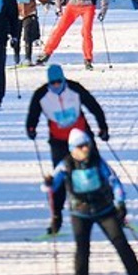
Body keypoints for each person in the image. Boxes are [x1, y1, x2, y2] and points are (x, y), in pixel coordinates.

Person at [44, 128, 138, 275]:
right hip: (80, 213)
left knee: (121, 245)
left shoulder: (98, 162)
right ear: (73, 149)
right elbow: (52, 185)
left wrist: (120, 202)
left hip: (104, 209)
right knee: (82, 251)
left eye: (87, 145)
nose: (85, 149)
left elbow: (114, 181)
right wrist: (48, 183)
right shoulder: (66, 164)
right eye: (81, 146)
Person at [26, 64, 110, 236]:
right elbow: (33, 114)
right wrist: (31, 127)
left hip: (82, 139)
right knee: (60, 179)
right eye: (53, 83)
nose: (56, 86)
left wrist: (103, 127)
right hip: (59, 142)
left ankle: (112, 209)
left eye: (59, 82)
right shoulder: (41, 94)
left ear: (63, 80)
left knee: (96, 172)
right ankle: (56, 218)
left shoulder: (75, 89)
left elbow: (93, 106)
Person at [8, 0, 45, 66]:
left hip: (29, 11)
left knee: (28, 35)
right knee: (16, 35)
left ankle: (28, 57)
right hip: (15, 12)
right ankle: (16, 55)